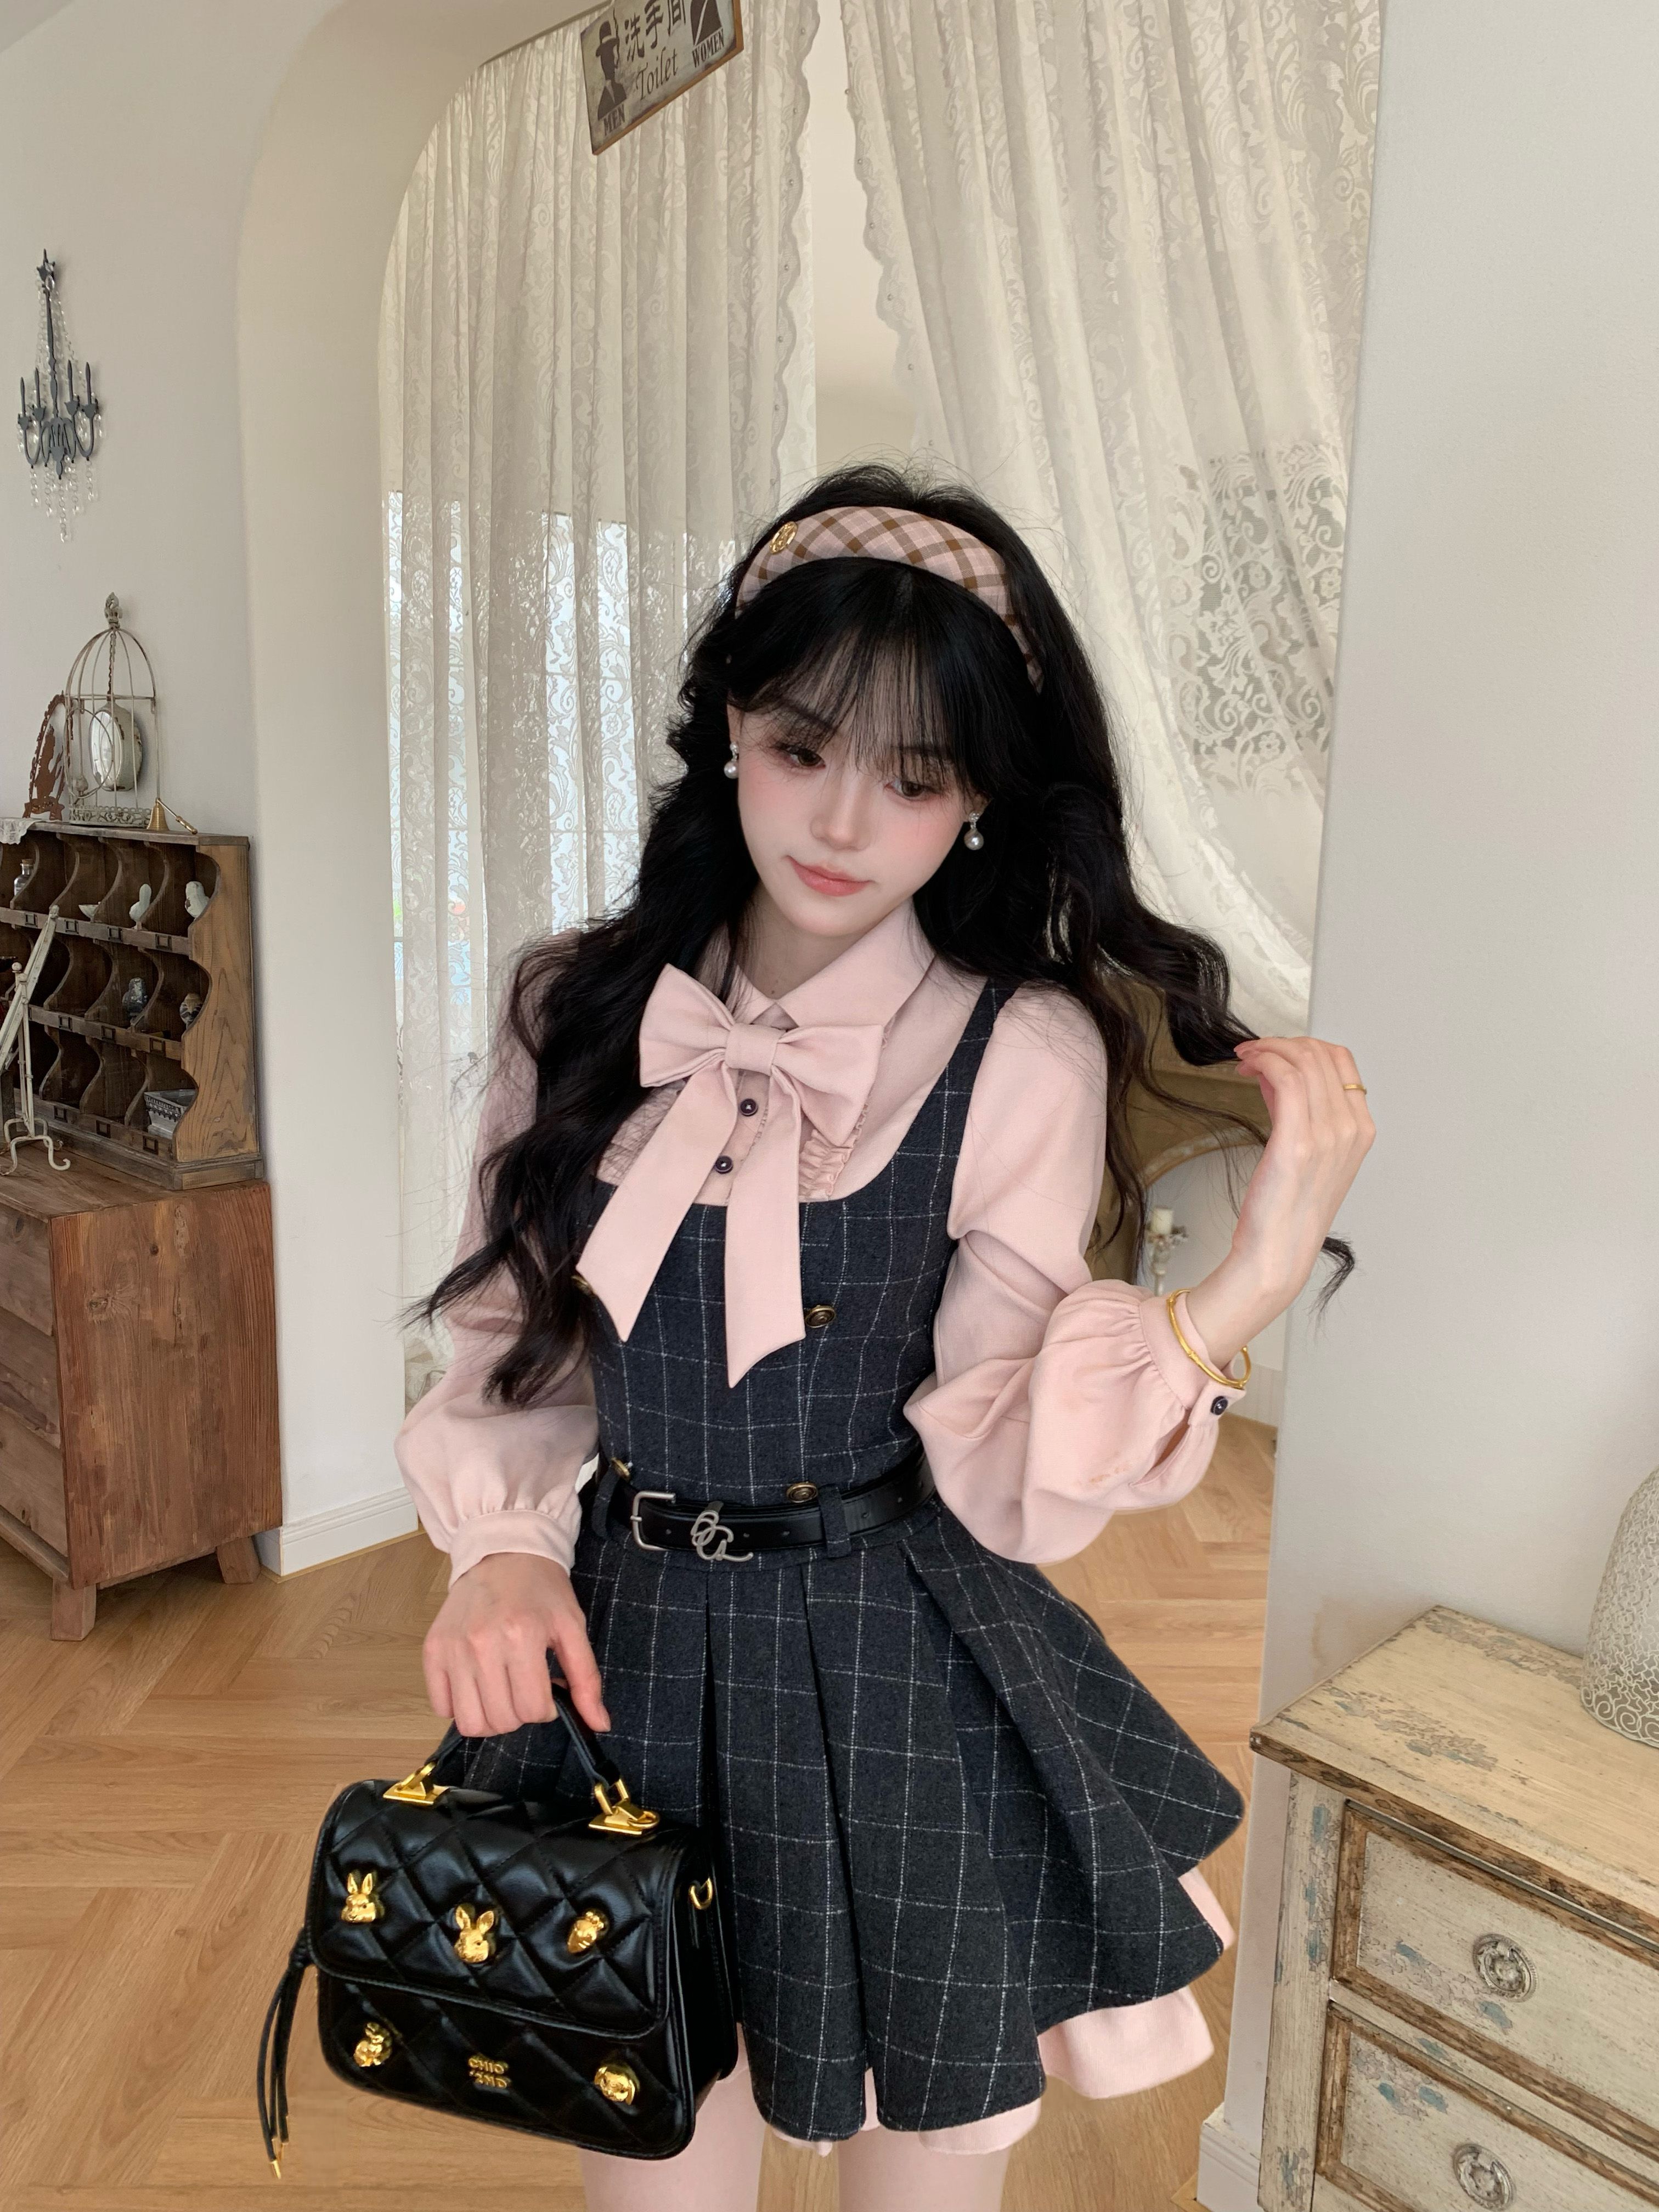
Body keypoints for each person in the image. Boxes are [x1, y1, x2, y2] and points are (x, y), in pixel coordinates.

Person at [393, 464, 1374, 2212]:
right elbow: (511, 1343)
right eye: (801, 747)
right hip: (621, 1661)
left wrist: (1241, 1289)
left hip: (893, 1670)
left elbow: (997, 1453)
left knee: (922, 2167)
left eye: (916, 777)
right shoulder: (579, 1007)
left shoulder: (1022, 1054)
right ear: (730, 730)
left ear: (982, 797)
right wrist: (499, 1552)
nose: (844, 819)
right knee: (650, 2149)